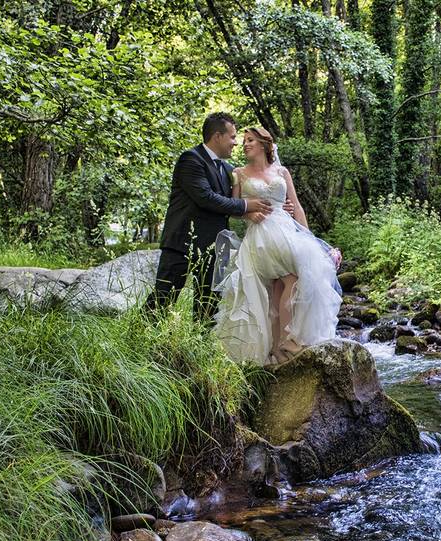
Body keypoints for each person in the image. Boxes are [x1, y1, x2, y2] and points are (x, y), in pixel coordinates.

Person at [213, 126, 342, 365]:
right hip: (261, 235)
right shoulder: (239, 173)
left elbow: (297, 206)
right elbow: (234, 208)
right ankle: (286, 344)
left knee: (280, 290)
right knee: (290, 279)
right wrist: (248, 214)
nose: (245, 145)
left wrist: (309, 238)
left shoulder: (282, 171)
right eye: (243, 141)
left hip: (286, 229)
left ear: (264, 143)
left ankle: (276, 348)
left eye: (250, 140)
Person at [144, 112, 283, 323]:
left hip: (216, 248)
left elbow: (233, 203)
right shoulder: (191, 159)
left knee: (208, 305)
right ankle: (140, 340)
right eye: (233, 137)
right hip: (182, 244)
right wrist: (247, 204)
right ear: (218, 136)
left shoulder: (228, 170)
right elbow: (207, 198)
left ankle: (199, 349)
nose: (236, 143)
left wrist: (276, 205)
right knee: (163, 298)